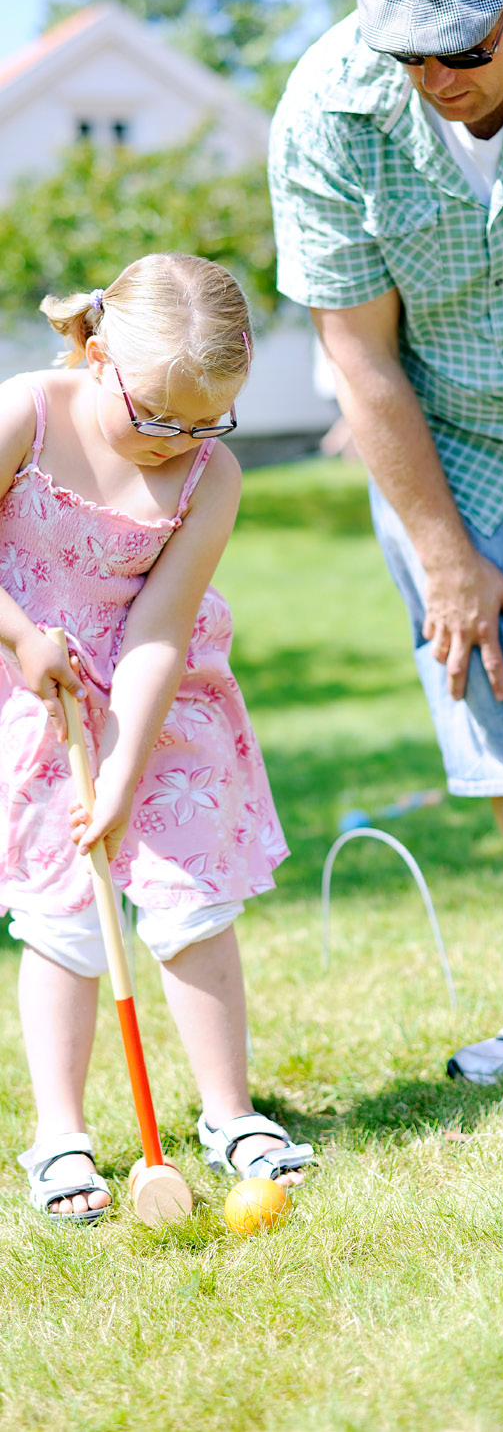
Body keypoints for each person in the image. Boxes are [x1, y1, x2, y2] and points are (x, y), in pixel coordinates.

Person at [269, 0, 503, 1085]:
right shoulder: (328, 111)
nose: (436, 81)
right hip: (453, 438)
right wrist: (444, 555)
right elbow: (359, 360)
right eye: (408, 55)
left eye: (461, 50)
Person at [1, 251, 314, 1221]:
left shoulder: (207, 476)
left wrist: (130, 766)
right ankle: (61, 1136)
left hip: (163, 701)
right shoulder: (28, 412)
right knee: (62, 910)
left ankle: (229, 1114)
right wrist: (18, 634)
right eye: (158, 416)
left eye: (204, 420)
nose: (176, 441)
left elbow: (158, 629)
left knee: (192, 900)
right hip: (35, 694)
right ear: (95, 353)